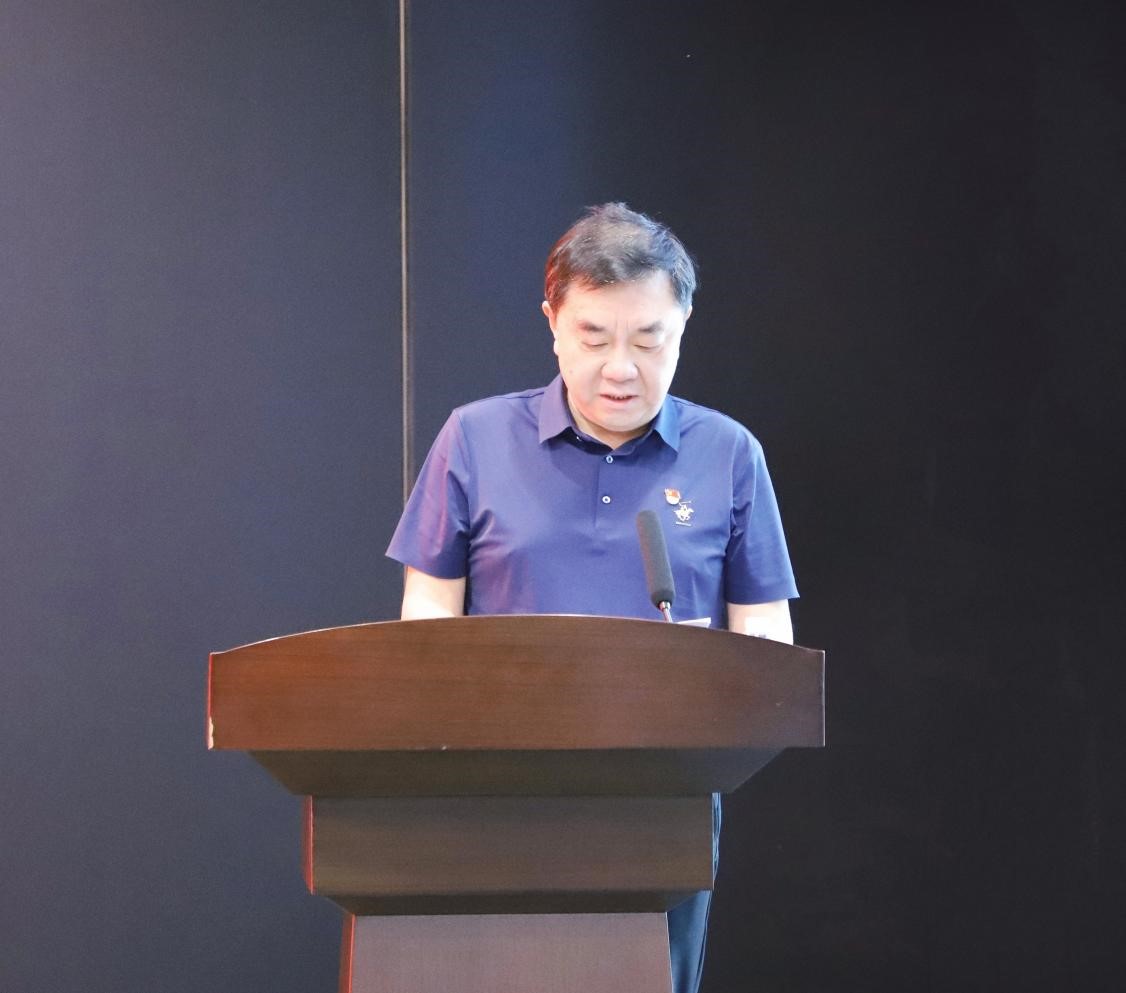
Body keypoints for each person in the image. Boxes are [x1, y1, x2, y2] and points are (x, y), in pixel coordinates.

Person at [386, 202, 798, 993]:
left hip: (663, 807)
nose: (621, 368)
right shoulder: (474, 438)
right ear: (552, 323)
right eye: (595, 337)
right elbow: (424, 627)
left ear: (683, 325)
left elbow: (768, 652)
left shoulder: (729, 454)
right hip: (492, 796)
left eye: (649, 340)